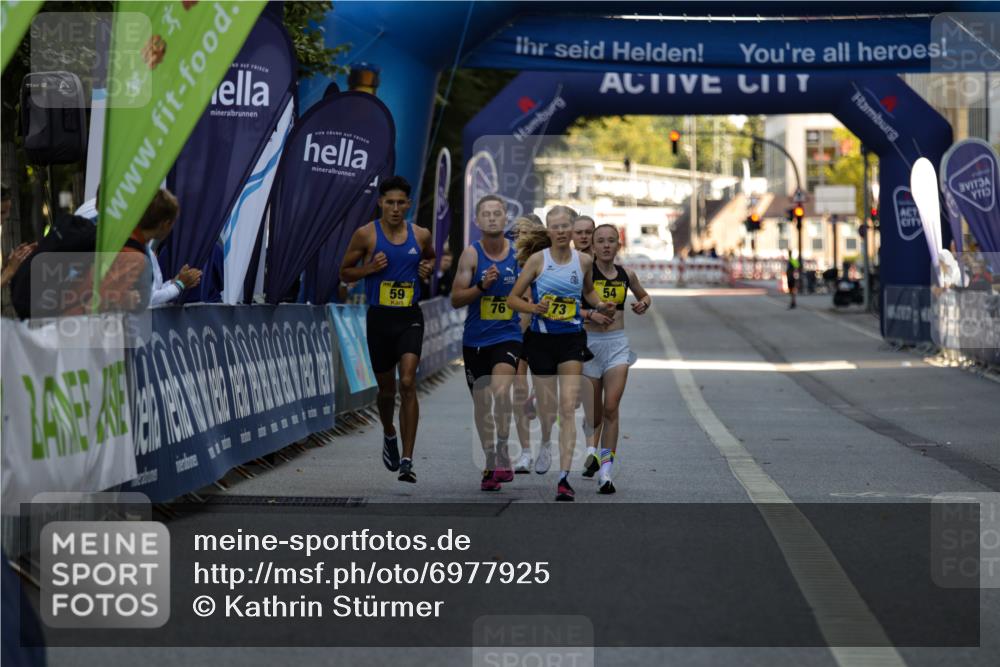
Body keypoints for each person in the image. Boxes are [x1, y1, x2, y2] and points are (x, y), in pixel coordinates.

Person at [507, 205, 614, 501]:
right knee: (548, 408)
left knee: (567, 408)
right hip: (541, 341)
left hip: (571, 340)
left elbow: (589, 292)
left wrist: (599, 305)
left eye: (566, 225)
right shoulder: (536, 261)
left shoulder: (583, 261)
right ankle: (543, 442)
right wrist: (533, 308)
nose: (562, 231)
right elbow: (513, 299)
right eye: (556, 226)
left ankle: (564, 478)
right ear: (549, 231)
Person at [340, 176, 435, 483]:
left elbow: (431, 258)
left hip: (409, 316)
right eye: (389, 202)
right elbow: (344, 271)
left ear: (408, 204)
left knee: (407, 381)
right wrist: (369, 269)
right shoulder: (366, 235)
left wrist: (427, 269)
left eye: (400, 203)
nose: (395, 208)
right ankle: (389, 432)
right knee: (387, 390)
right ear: (380, 202)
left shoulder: (420, 235)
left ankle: (407, 459)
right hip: (379, 319)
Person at [452, 195, 523, 491]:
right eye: (486, 214)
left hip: (507, 336)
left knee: (501, 390)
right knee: (482, 405)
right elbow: (456, 299)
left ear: (505, 218)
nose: (492, 218)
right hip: (475, 340)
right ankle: (491, 459)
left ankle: (503, 450)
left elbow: (530, 296)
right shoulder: (471, 255)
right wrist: (482, 287)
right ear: (477, 221)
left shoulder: (518, 256)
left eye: (497, 213)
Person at [580, 224, 650, 494]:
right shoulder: (586, 274)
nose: (606, 245)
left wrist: (643, 303)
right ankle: (590, 452)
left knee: (611, 407)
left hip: (617, 344)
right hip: (589, 345)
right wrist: (590, 315)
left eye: (611, 241)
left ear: (618, 245)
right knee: (593, 411)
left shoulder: (626, 275)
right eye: (601, 241)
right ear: (593, 246)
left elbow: (644, 295)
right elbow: (573, 305)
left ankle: (606, 472)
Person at [510, 216, 545, 474]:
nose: (518, 237)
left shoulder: (551, 259)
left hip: (547, 332)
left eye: (524, 232)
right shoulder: (507, 261)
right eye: (515, 233)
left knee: (548, 393)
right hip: (517, 332)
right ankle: (524, 452)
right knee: (518, 391)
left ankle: (545, 445)